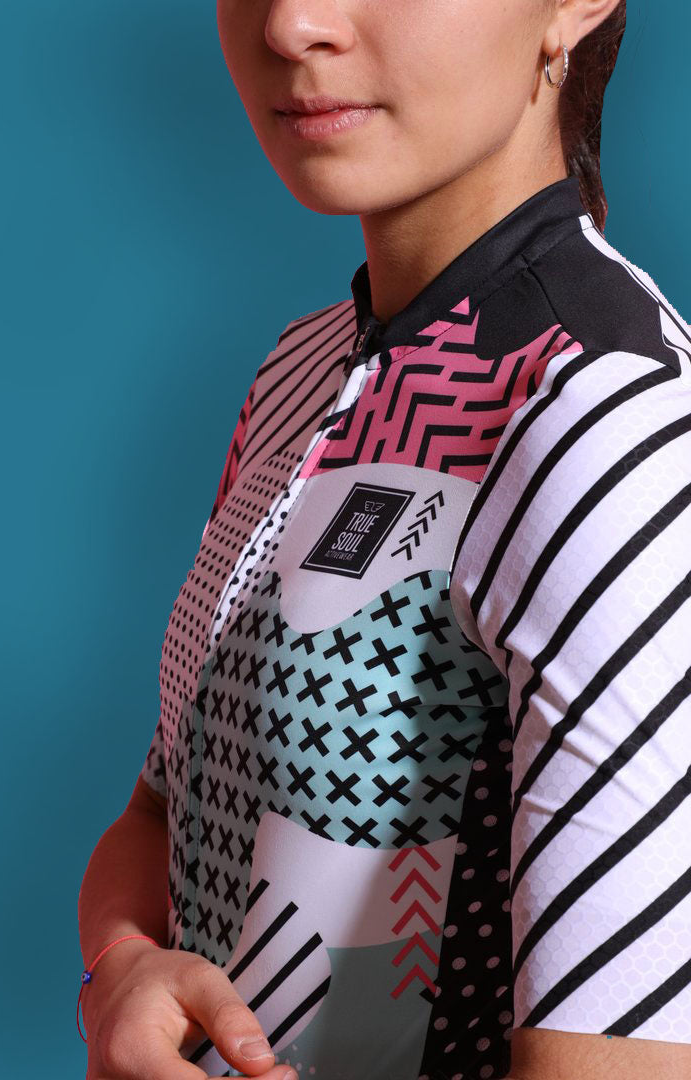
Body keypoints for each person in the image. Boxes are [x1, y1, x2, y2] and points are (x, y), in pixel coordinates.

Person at [78, 0, 691, 1078]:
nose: (292, 23)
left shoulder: (611, 423)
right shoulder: (302, 368)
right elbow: (160, 807)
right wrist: (122, 969)